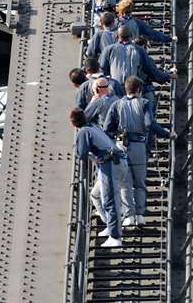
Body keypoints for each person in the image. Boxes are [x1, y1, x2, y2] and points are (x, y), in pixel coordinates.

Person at [104, 76, 178, 226]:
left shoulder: (116, 105)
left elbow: (107, 128)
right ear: (138, 90)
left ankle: (129, 215)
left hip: (121, 145)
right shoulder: (144, 103)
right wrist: (167, 134)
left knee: (125, 182)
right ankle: (140, 214)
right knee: (139, 182)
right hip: (139, 145)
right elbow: (150, 124)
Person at [71, 108, 129, 247]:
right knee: (96, 195)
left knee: (110, 200)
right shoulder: (93, 126)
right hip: (119, 161)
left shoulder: (83, 132)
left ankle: (115, 237)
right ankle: (110, 226)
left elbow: (81, 154)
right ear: (85, 118)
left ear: (73, 125)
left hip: (110, 165)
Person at [99, 25, 174, 86]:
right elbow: (151, 71)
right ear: (131, 36)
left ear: (117, 36)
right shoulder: (139, 50)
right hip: (133, 89)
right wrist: (168, 75)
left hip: (115, 89)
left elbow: (103, 70)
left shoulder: (108, 49)